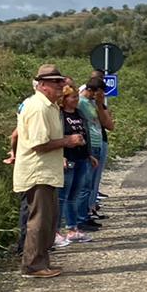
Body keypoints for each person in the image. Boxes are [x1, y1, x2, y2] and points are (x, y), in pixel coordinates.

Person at [14, 64, 84, 277]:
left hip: (47, 171)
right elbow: (38, 143)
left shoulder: (49, 106)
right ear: (43, 85)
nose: (61, 86)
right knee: (39, 220)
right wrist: (68, 141)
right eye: (56, 82)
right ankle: (32, 265)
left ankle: (41, 263)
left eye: (61, 81)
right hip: (38, 172)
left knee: (48, 221)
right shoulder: (39, 108)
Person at [56, 81, 95, 244]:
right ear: (64, 99)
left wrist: (89, 154)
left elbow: (86, 135)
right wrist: (61, 156)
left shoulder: (79, 114)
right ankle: (56, 231)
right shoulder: (60, 115)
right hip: (68, 158)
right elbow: (57, 137)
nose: (76, 100)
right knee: (62, 196)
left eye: (76, 96)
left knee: (74, 195)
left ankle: (73, 229)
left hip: (81, 158)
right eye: (72, 97)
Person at [77, 77, 111, 228]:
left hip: (97, 144)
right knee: (85, 184)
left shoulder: (92, 103)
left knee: (90, 184)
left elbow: (108, 123)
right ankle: (81, 217)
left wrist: (99, 103)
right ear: (93, 91)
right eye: (100, 93)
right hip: (90, 145)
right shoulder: (81, 102)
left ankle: (86, 213)